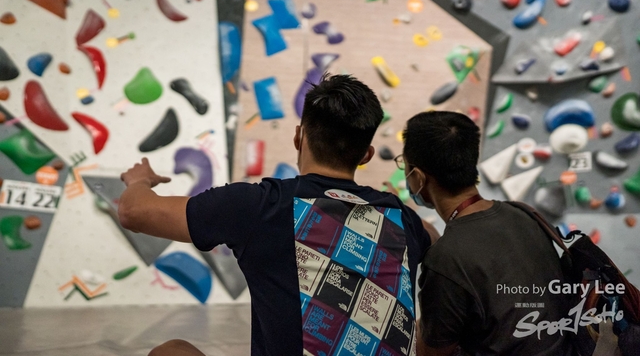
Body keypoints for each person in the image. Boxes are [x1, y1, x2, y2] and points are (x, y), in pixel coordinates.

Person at [119, 74, 438, 356]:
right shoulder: (403, 219)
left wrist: (139, 181)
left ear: (299, 137)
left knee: (170, 351)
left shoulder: (259, 206)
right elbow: (437, 245)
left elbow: (134, 211)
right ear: (366, 155)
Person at [400, 110, 579, 356]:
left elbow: (430, 353)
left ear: (418, 178)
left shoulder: (445, 260)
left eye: (405, 166)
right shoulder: (522, 214)